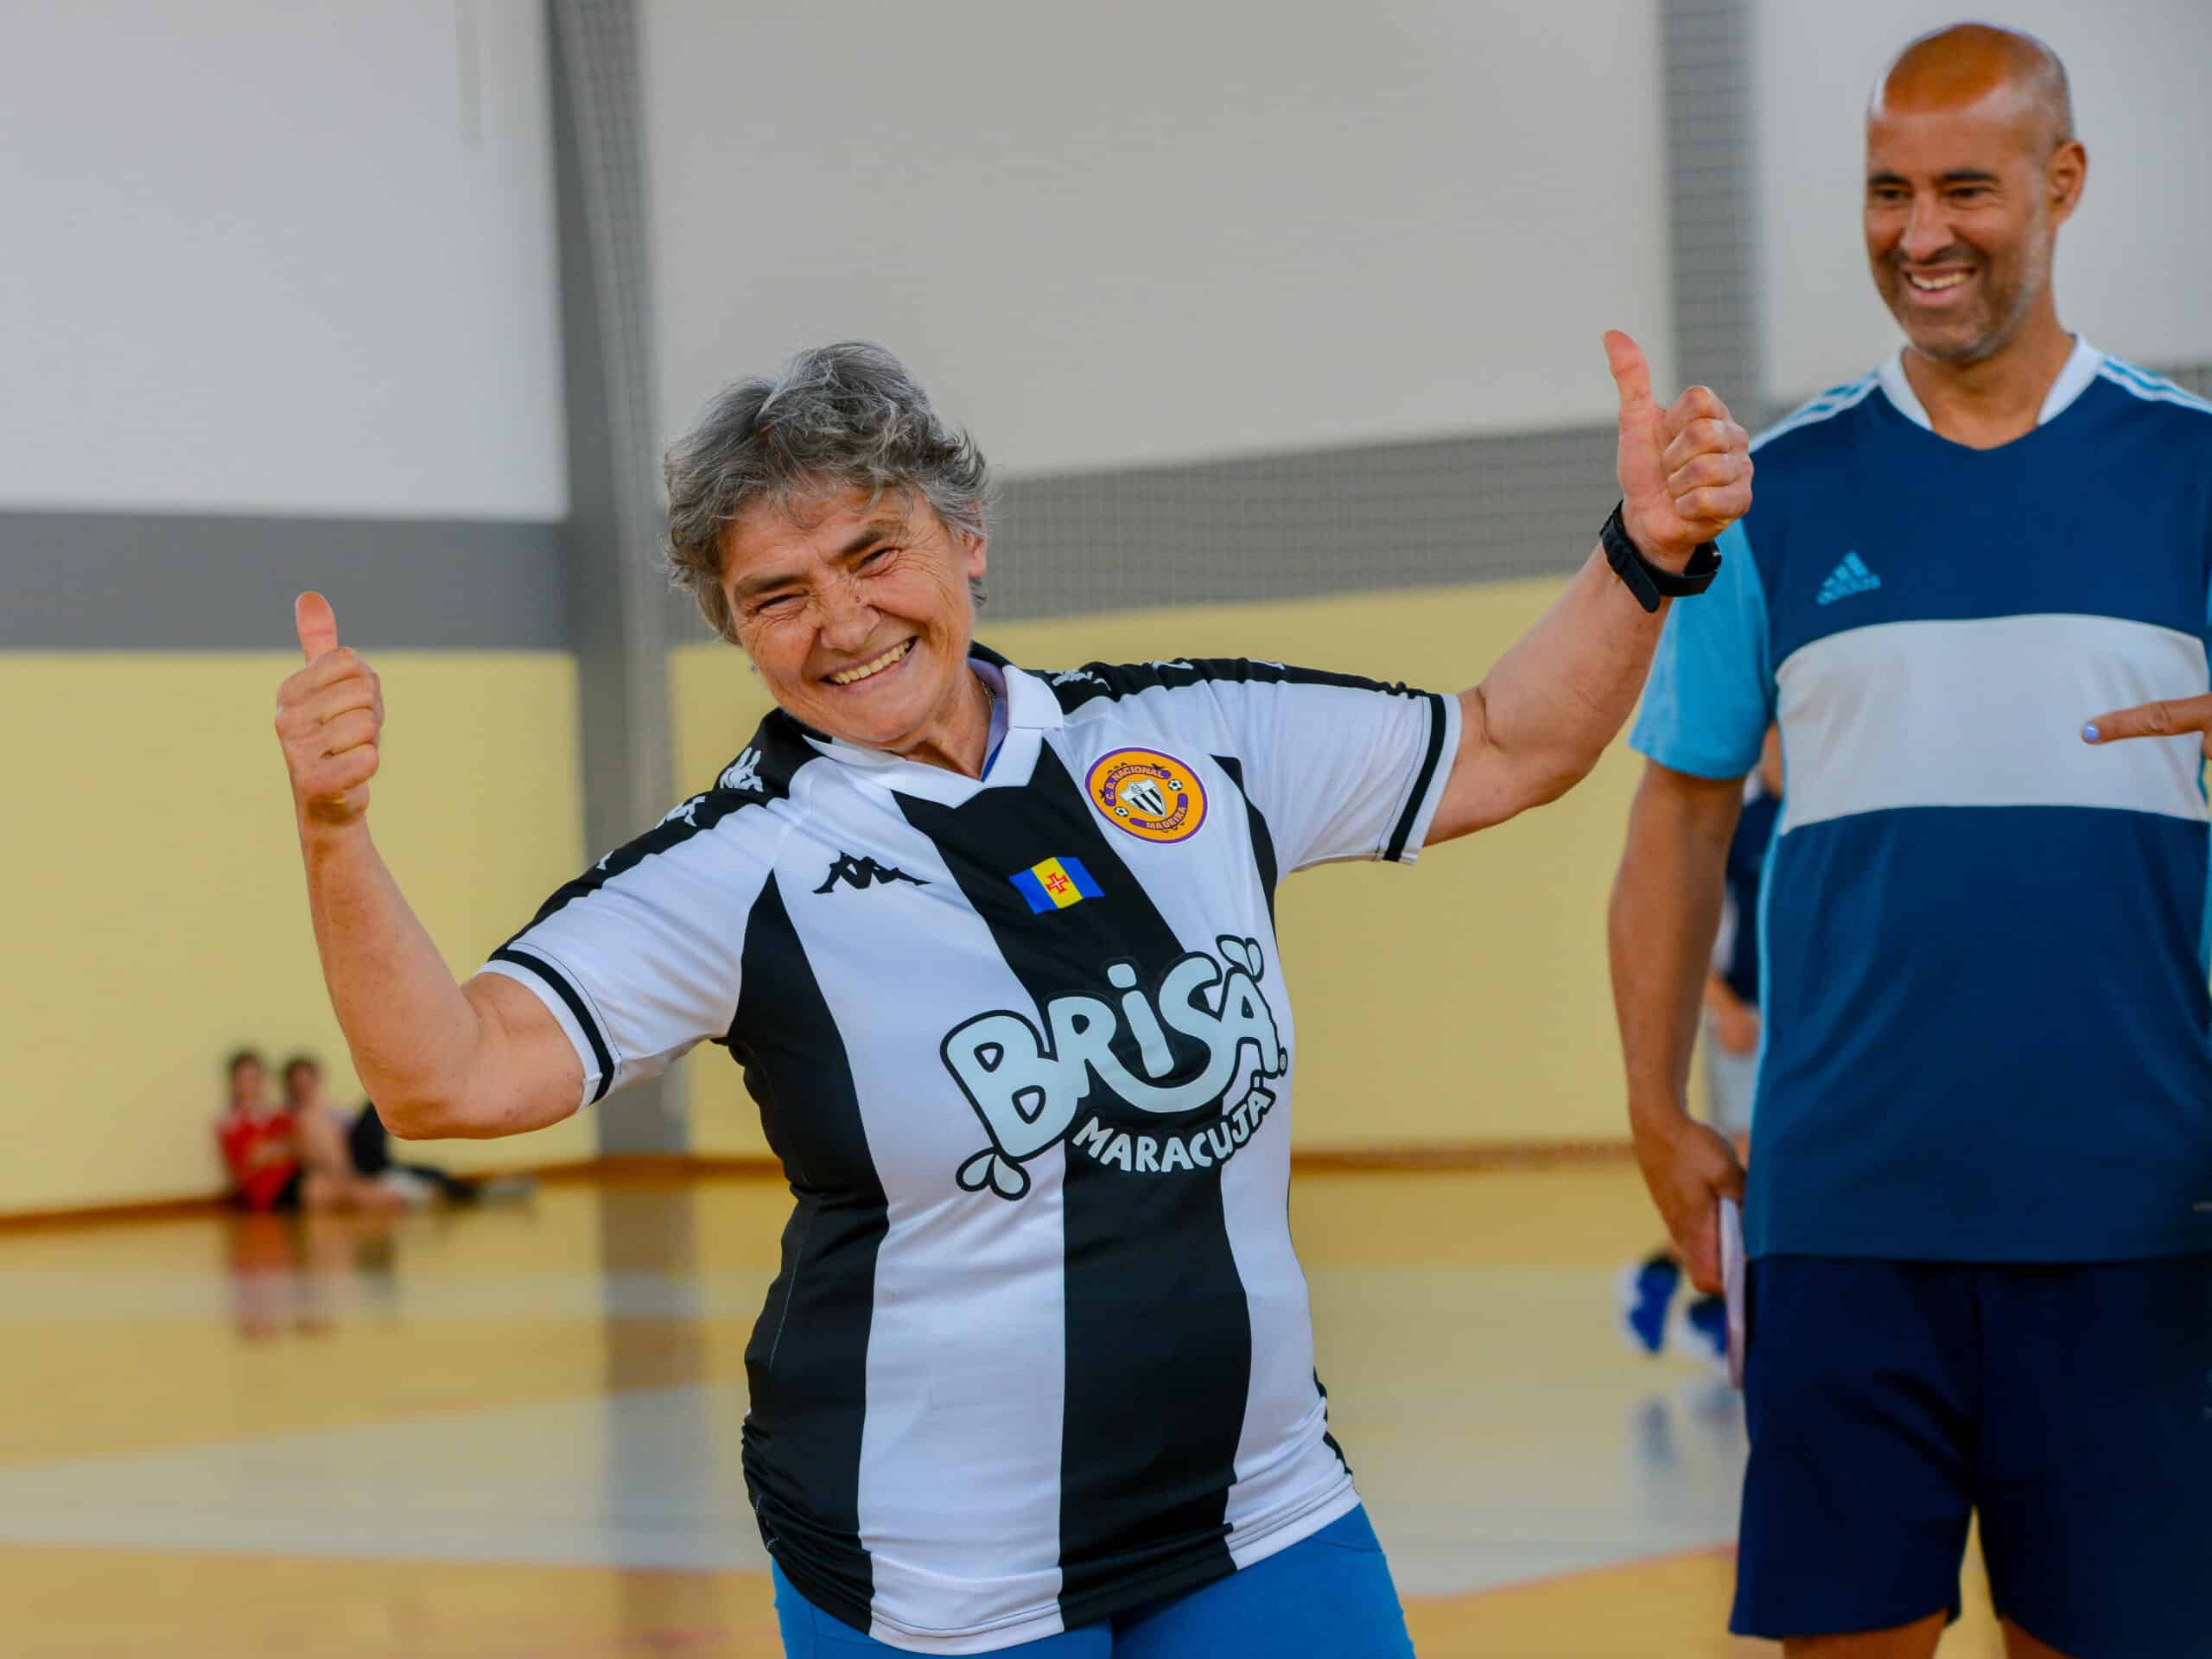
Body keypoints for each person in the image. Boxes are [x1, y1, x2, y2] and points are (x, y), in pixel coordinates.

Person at [276, 337, 1751, 1656]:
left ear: (967, 537)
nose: (841, 621)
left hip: (1259, 1505)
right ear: (737, 631)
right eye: (778, 596)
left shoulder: (1188, 739)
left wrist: (1641, 554)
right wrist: (336, 832)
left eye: (874, 554)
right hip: (940, 1575)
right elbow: (448, 1078)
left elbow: (1502, 744)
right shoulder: (737, 868)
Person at [1608, 24, 2212, 1659]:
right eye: (1888, 192)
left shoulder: (2193, 474)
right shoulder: (1772, 493)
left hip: (2138, 1213)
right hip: (1846, 1215)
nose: (1920, 233)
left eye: (1964, 189)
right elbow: (1681, 809)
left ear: (2062, 182)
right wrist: (1655, 1105)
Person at [1618, 725, 1779, 1360]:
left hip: (1798, 1019)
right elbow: (1685, 927)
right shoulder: (1737, 823)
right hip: (1743, 1018)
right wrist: (1724, 1007)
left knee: (1771, 1169)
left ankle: (1687, 1289)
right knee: (1746, 1161)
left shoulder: (1814, 821)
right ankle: (1688, 1288)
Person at [213, 1046, 301, 1212]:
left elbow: (297, 1147)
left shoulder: (276, 1114)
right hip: (268, 1190)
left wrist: (279, 1149)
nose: (252, 1085)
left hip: (291, 1178)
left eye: (256, 1078)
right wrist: (282, 1148)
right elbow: (253, 1157)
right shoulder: (230, 1120)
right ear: (234, 1084)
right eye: (245, 1079)